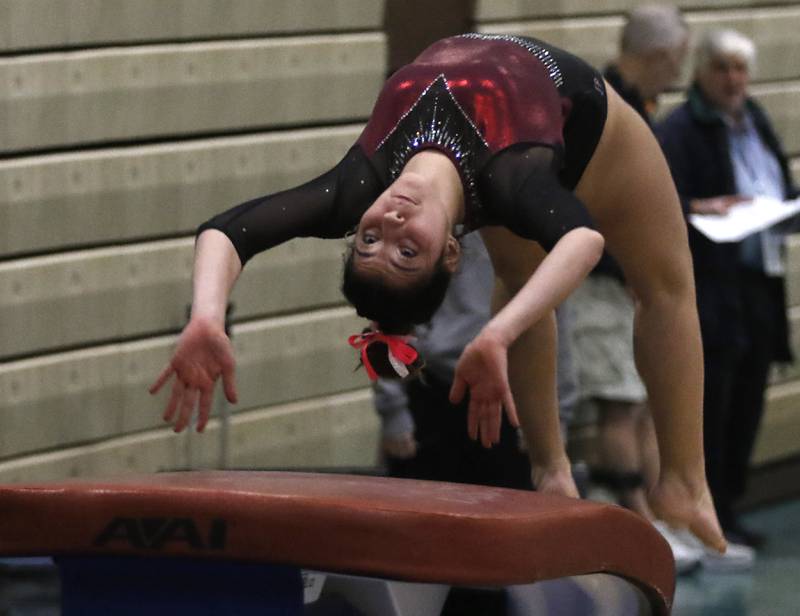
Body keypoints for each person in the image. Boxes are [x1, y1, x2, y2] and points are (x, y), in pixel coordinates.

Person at [150, 33, 726, 553]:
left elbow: (228, 230)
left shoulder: (357, 185)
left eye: (370, 239)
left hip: (515, 130)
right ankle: (680, 481)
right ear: (451, 251)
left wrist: (206, 317)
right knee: (666, 283)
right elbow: (582, 241)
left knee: (522, 280)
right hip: (587, 127)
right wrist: (496, 333)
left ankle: (555, 471)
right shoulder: (513, 176)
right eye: (407, 252)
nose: (391, 224)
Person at [657, 29, 797, 559]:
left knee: (748, 398)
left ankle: (730, 505)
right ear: (700, 72)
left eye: (741, 69)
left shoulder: (755, 119)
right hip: (712, 285)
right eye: (723, 69)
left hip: (759, 279)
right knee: (711, 403)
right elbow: (667, 204)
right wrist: (702, 208)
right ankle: (704, 507)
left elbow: (776, 182)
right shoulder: (681, 129)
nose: (734, 80)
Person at [568, 4, 696, 567]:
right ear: (662, 54)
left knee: (644, 401)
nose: (679, 71)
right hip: (601, 280)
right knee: (620, 402)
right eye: (679, 60)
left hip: (631, 282)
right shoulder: (603, 106)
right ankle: (635, 518)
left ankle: (662, 516)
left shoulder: (642, 104)